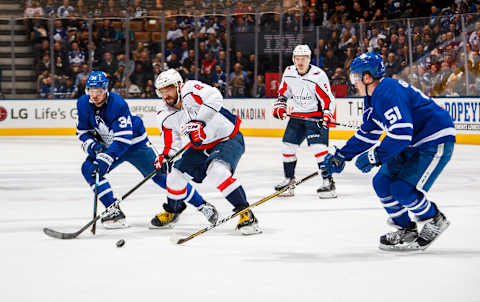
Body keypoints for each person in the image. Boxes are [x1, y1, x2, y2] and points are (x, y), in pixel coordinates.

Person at [322, 53, 455, 251]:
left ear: (367, 77)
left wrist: (375, 156)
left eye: (355, 78)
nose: (354, 83)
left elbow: (402, 133)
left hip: (433, 140)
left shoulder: (388, 91)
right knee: (381, 182)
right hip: (410, 143)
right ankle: (406, 229)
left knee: (402, 190)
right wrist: (342, 155)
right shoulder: (372, 97)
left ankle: (434, 219)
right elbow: (368, 133)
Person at [77, 71, 218, 229]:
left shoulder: (117, 103)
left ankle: (202, 205)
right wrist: (94, 147)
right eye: (91, 90)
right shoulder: (82, 104)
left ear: (106, 89)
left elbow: (123, 140)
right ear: (86, 90)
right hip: (110, 147)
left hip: (135, 144)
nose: (95, 95)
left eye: (99, 91)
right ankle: (113, 211)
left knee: (160, 176)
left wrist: (106, 158)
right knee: (89, 170)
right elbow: (82, 132)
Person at [153, 69, 262, 235]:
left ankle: (246, 213)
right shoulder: (163, 113)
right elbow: (171, 141)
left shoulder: (190, 89)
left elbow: (215, 96)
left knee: (217, 171)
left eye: (169, 89)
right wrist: (165, 156)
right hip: (200, 147)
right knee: (174, 175)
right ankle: (172, 211)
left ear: (178, 86)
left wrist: (200, 122)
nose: (166, 94)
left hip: (227, 138)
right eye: (162, 91)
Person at [272, 44, 337, 198]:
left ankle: (328, 181)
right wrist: (280, 105)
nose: (300, 62)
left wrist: (327, 115)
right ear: (294, 59)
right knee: (287, 147)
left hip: (316, 117)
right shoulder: (289, 72)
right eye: (297, 59)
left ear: (309, 59)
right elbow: (283, 92)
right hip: (297, 117)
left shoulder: (318, 75)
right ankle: (289, 181)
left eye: (304, 59)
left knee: (318, 149)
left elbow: (328, 98)